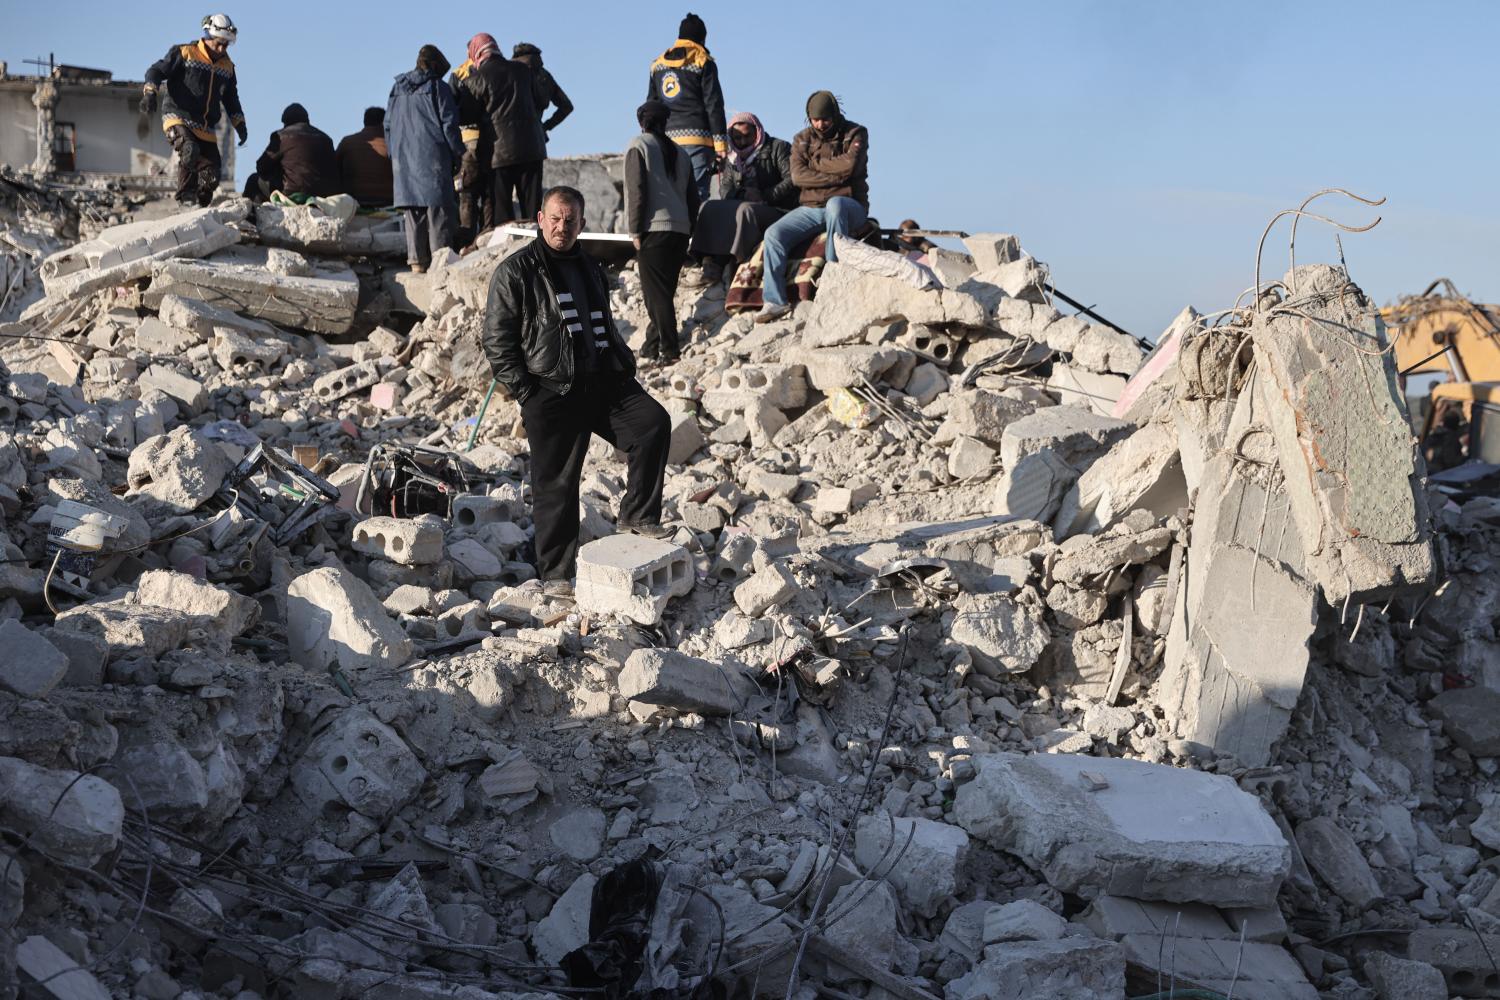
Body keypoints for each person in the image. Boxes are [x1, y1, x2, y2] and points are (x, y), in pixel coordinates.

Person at [481, 186, 672, 591]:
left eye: (570, 220)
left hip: (603, 382)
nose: (561, 227)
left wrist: (621, 363)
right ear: (539, 219)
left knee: (652, 422)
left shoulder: (589, 265)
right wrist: (528, 392)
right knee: (557, 485)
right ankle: (556, 574)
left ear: (582, 224)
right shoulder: (516, 271)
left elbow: (601, 322)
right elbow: (497, 341)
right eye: (554, 218)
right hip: (550, 389)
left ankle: (637, 515)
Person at [756, 91, 869, 323]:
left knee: (836, 205)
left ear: (835, 115)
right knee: (773, 234)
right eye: (815, 120)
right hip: (811, 206)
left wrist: (815, 165)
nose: (820, 124)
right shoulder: (802, 139)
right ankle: (775, 301)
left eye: (825, 119)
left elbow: (850, 166)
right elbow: (798, 177)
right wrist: (837, 177)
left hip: (849, 204)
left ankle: (833, 277)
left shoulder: (856, 133)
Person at [142, 13, 247, 207]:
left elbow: (231, 98)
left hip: (205, 126)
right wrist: (150, 92)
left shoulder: (228, 67)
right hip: (177, 116)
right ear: (207, 37)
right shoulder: (184, 53)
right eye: (219, 43)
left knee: (212, 174)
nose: (222, 48)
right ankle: (186, 197)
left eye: (226, 45)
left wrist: (239, 123)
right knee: (189, 150)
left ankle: (202, 204)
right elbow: (156, 71)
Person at [686, 111, 796, 286]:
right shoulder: (732, 158)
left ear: (757, 132)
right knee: (708, 207)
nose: (743, 142)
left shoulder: (778, 147)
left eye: (747, 136)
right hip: (744, 206)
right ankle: (707, 262)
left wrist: (764, 195)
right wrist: (742, 194)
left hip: (777, 209)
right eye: (737, 138)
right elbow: (725, 190)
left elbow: (792, 179)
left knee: (745, 210)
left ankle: (730, 262)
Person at [627, 100, 699, 363]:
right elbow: (694, 199)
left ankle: (670, 350)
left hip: (653, 230)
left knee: (655, 296)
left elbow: (636, 191)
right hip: (679, 232)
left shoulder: (639, 145)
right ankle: (650, 345)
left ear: (641, 122)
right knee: (663, 293)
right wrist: (689, 228)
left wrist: (634, 230)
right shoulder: (681, 153)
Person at [386, 45, 464, 273]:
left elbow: (388, 125)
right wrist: (458, 152)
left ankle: (417, 264)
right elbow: (449, 124)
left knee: (413, 214)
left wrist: (395, 156)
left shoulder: (396, 89)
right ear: (434, 66)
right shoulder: (437, 88)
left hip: (404, 161)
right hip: (433, 158)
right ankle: (440, 265)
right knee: (439, 212)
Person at [461, 33, 547, 227]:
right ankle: (539, 249)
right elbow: (543, 100)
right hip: (532, 146)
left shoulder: (476, 79)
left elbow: (467, 116)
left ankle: (508, 254)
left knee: (503, 213)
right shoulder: (523, 70)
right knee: (533, 211)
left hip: (497, 154)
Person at [646, 13, 726, 205]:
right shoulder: (704, 62)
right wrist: (721, 146)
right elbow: (713, 105)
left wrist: (650, 139)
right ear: (702, 38)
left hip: (665, 140)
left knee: (668, 194)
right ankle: (693, 235)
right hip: (698, 140)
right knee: (695, 195)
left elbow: (651, 105)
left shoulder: (657, 65)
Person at [449, 34, 499, 236]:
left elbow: (450, 110)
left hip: (468, 140)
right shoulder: (496, 69)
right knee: (489, 189)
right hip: (494, 139)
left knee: (467, 191)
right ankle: (488, 233)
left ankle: (467, 236)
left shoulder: (459, 73)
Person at [248, 103, 339, 201]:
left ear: (286, 122)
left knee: (253, 180)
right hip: (326, 195)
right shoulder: (326, 139)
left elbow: (261, 167)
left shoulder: (281, 136)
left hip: (293, 193)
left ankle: (252, 215)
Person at [512, 43, 573, 142]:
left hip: (509, 138)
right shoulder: (545, 75)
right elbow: (566, 106)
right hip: (536, 138)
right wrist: (545, 126)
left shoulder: (508, 73)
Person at [336, 107, 394, 208]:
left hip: (354, 202)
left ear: (364, 122)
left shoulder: (347, 142)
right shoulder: (393, 144)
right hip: (387, 201)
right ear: (384, 123)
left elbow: (334, 168)